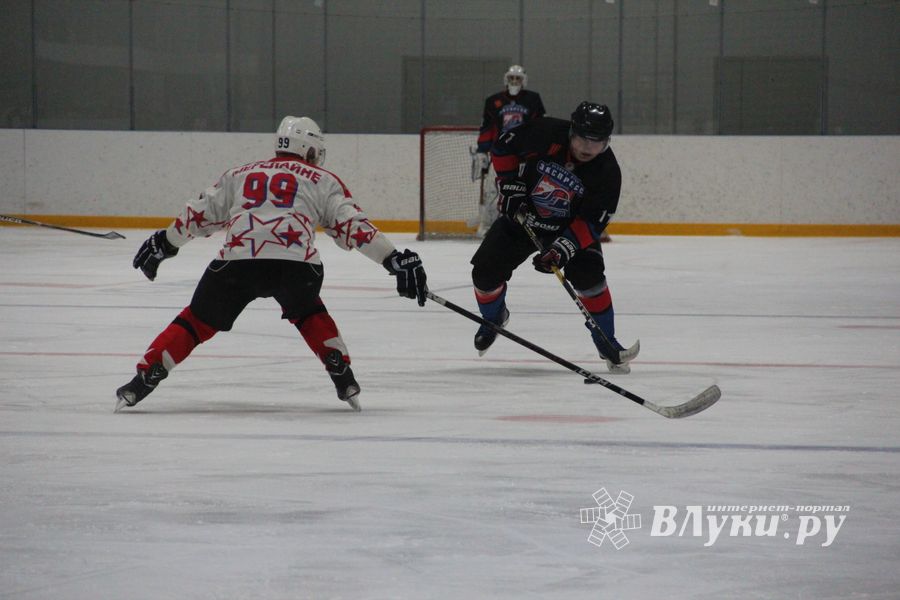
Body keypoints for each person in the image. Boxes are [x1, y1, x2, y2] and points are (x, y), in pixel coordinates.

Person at [115, 116, 428, 413]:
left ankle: (147, 375)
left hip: (238, 263)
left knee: (197, 321)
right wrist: (392, 258)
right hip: (296, 267)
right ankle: (339, 367)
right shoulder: (324, 180)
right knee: (308, 310)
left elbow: (198, 215)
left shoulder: (239, 174)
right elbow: (353, 227)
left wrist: (166, 243)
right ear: (309, 148)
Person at [469, 102, 637, 373]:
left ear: (607, 142)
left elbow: (592, 222)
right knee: (484, 275)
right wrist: (509, 183)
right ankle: (493, 319)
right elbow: (502, 146)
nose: (587, 148)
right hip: (524, 217)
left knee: (591, 282)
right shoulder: (543, 131)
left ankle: (607, 341)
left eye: (596, 143)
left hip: (568, 229)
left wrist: (563, 249)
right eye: (582, 139)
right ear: (572, 131)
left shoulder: (607, 173)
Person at [471, 65, 545, 237]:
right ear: (506, 79)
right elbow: (487, 127)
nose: (514, 81)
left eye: (517, 78)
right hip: (499, 153)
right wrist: (482, 151)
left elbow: (540, 126)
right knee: (492, 188)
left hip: (525, 154)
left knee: (526, 188)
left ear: (523, 81)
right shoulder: (493, 101)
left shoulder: (533, 99)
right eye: (511, 78)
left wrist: (538, 149)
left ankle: (524, 222)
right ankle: (488, 223)